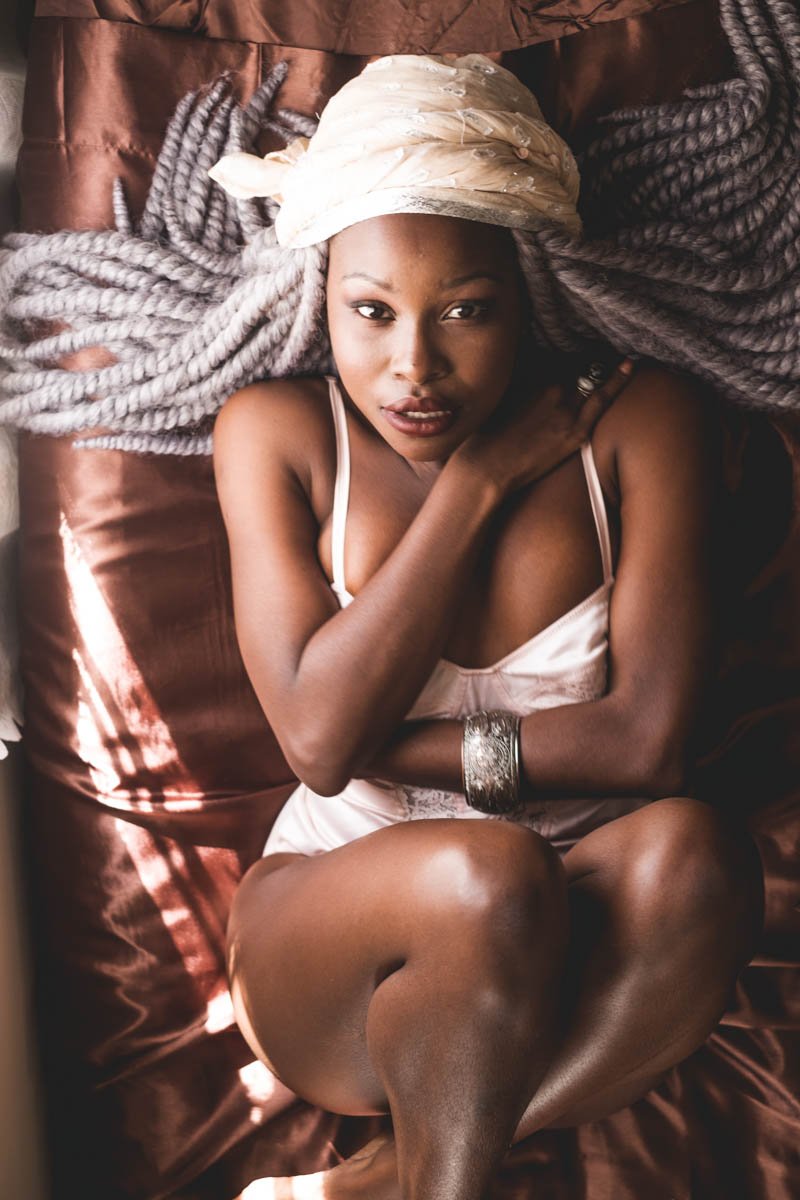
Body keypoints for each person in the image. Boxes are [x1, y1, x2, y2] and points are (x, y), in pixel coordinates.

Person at [210, 54, 764, 1200]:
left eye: (465, 310)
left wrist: (379, 742)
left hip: (582, 929)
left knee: (697, 852)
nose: (411, 366)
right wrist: (474, 488)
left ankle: (384, 1185)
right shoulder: (274, 434)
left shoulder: (639, 421)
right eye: (370, 313)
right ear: (321, 295)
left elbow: (648, 745)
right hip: (333, 938)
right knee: (483, 871)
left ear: (530, 291)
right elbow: (315, 748)